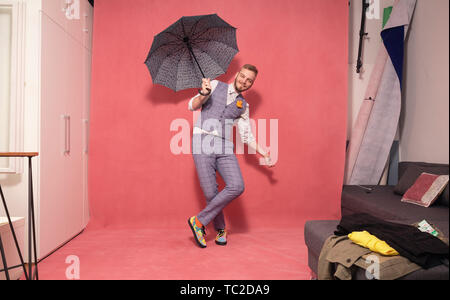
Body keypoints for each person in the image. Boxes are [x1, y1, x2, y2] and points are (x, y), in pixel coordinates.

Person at [187, 64, 275, 248]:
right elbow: (192, 106)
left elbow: (246, 136)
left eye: (249, 80)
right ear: (237, 74)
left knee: (237, 185)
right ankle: (220, 229)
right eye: (243, 76)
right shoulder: (215, 85)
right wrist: (203, 93)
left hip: (225, 145)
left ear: (251, 84)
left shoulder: (243, 105)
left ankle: (199, 221)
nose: (244, 81)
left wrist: (264, 152)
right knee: (211, 192)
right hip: (202, 139)